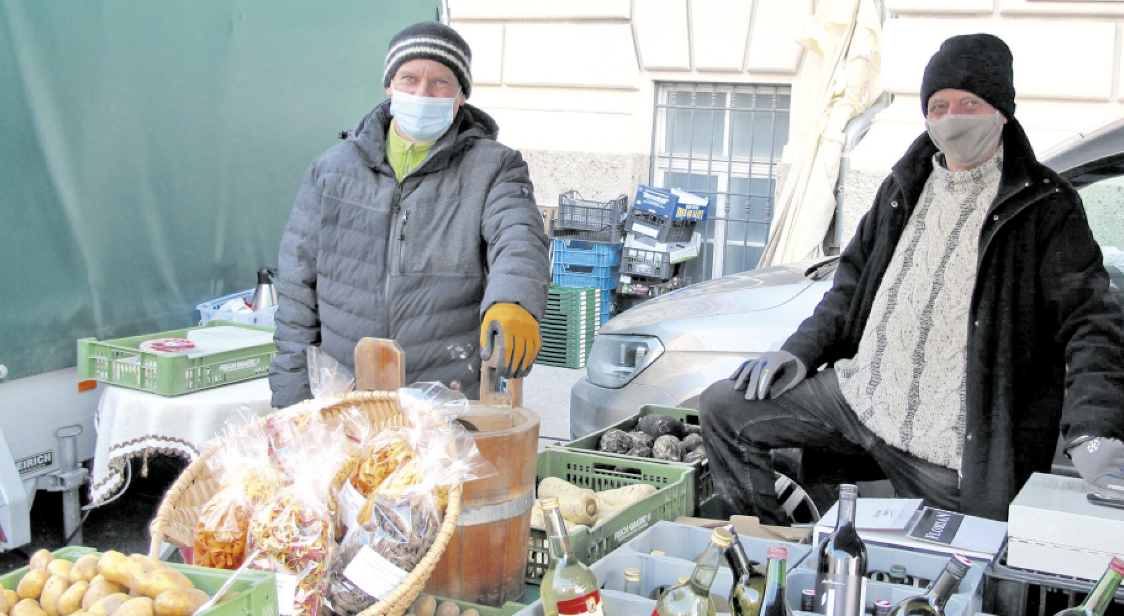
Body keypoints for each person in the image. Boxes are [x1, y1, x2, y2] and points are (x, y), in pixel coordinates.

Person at [699, 33, 1124, 524]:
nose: (951, 119)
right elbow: (850, 285)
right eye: (938, 106)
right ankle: (769, 551)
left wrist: (1096, 427)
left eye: (969, 103)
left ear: (1002, 111)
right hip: (861, 400)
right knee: (725, 410)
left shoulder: (1046, 206)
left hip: (948, 448)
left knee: (954, 581)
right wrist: (799, 351)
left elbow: (1091, 320)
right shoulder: (905, 185)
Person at [268, 21, 551, 407]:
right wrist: (291, 399)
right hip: (346, 403)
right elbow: (298, 292)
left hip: (449, 401)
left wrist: (513, 301)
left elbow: (518, 238)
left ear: (461, 95)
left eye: (441, 82)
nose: (422, 92)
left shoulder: (495, 167)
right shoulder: (331, 171)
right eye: (410, 78)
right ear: (390, 86)